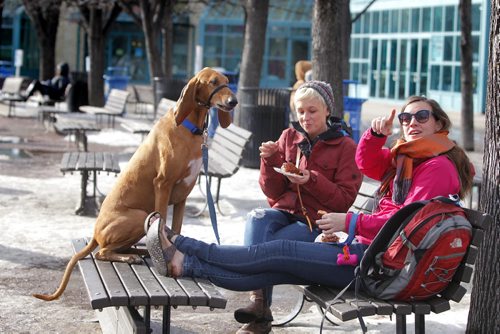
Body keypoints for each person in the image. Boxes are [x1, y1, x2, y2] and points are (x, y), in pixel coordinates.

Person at [145, 95, 474, 334]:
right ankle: (183, 261)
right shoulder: (410, 158)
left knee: (277, 253)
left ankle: (182, 245)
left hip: (378, 267)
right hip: (368, 255)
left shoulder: (437, 167)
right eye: (406, 118)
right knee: (272, 260)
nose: (411, 123)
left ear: (439, 123)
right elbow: (370, 163)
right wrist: (375, 136)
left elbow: (403, 224)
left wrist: (351, 221)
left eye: (421, 117)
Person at [234, 80, 362, 333]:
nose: (305, 117)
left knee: (268, 246)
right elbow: (273, 193)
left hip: (315, 222)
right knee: (257, 218)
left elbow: (343, 201)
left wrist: (311, 179)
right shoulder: (289, 137)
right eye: (300, 111)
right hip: (283, 211)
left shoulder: (346, 147)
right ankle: (259, 304)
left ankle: (259, 315)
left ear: (327, 110)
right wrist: (269, 162)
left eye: (312, 111)